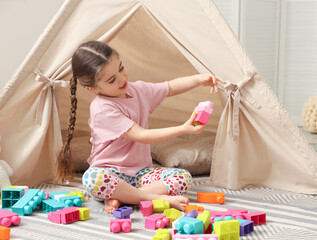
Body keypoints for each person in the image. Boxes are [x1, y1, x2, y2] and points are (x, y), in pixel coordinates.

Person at [55, 40, 225, 213]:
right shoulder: (102, 109)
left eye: (121, 68)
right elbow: (141, 135)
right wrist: (183, 128)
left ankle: (123, 198)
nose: (122, 79)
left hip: (142, 174)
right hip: (110, 174)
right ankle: (153, 198)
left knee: (182, 177)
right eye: (112, 80)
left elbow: (170, 87)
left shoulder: (138, 90)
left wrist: (197, 79)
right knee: (91, 179)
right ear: (92, 89)